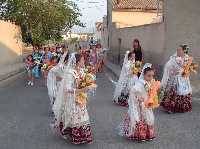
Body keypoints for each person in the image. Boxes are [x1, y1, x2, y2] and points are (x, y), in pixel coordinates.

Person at [52, 53, 94, 144]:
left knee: (82, 116)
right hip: (72, 99)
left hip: (80, 98)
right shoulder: (70, 73)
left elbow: (84, 82)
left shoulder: (82, 71)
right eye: (83, 60)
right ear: (78, 62)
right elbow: (67, 89)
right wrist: (82, 89)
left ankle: (83, 135)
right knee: (74, 116)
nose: (84, 61)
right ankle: (74, 134)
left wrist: (88, 82)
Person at [118, 63, 159, 141]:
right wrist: (138, 99)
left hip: (146, 104)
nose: (151, 78)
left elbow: (152, 93)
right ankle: (138, 134)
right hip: (139, 105)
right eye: (149, 76)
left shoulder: (150, 83)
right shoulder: (140, 83)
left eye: (152, 76)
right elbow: (133, 91)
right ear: (144, 75)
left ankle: (147, 134)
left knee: (147, 118)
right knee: (139, 118)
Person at [160, 45, 193, 113]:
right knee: (173, 91)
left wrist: (184, 71)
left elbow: (188, 68)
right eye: (177, 50)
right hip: (175, 78)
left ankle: (182, 107)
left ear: (183, 50)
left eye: (179, 50)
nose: (178, 51)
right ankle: (171, 107)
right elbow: (168, 66)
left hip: (183, 78)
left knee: (182, 92)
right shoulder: (174, 57)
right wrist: (172, 71)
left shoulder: (187, 58)